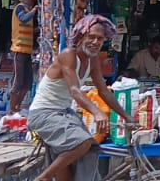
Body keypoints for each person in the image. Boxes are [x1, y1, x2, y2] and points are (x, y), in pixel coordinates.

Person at [29, 15, 135, 181]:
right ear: (80, 37)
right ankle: (43, 178)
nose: (95, 42)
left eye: (100, 38)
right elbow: (75, 90)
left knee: (90, 148)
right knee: (82, 142)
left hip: (64, 113)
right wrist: (97, 112)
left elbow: (104, 92)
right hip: (43, 114)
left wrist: (126, 116)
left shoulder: (93, 60)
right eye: (91, 37)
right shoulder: (68, 55)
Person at [9, 0, 38, 115]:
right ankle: (11, 110)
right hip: (19, 50)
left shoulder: (28, 9)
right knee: (18, 81)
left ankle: (17, 106)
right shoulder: (20, 8)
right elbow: (23, 19)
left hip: (27, 51)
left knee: (27, 82)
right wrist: (34, 10)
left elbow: (27, 28)